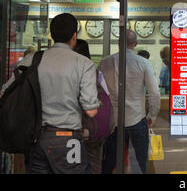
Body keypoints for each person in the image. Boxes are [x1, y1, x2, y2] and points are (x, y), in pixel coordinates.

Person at [0, 13, 99, 174]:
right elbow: (91, 110)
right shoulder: (84, 63)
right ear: (74, 36)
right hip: (68, 139)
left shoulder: (32, 59)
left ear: (52, 36)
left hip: (36, 138)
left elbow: (5, 91)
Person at [99, 29, 160, 174]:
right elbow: (154, 93)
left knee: (108, 165)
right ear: (136, 43)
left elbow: (98, 92)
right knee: (139, 165)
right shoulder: (144, 63)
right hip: (137, 120)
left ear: (119, 43)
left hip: (112, 122)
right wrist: (152, 115)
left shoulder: (104, 63)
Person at [73, 38, 112, 174]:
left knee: (73, 166)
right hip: (95, 132)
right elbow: (106, 100)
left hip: (75, 130)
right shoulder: (96, 73)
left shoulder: (70, 72)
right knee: (94, 165)